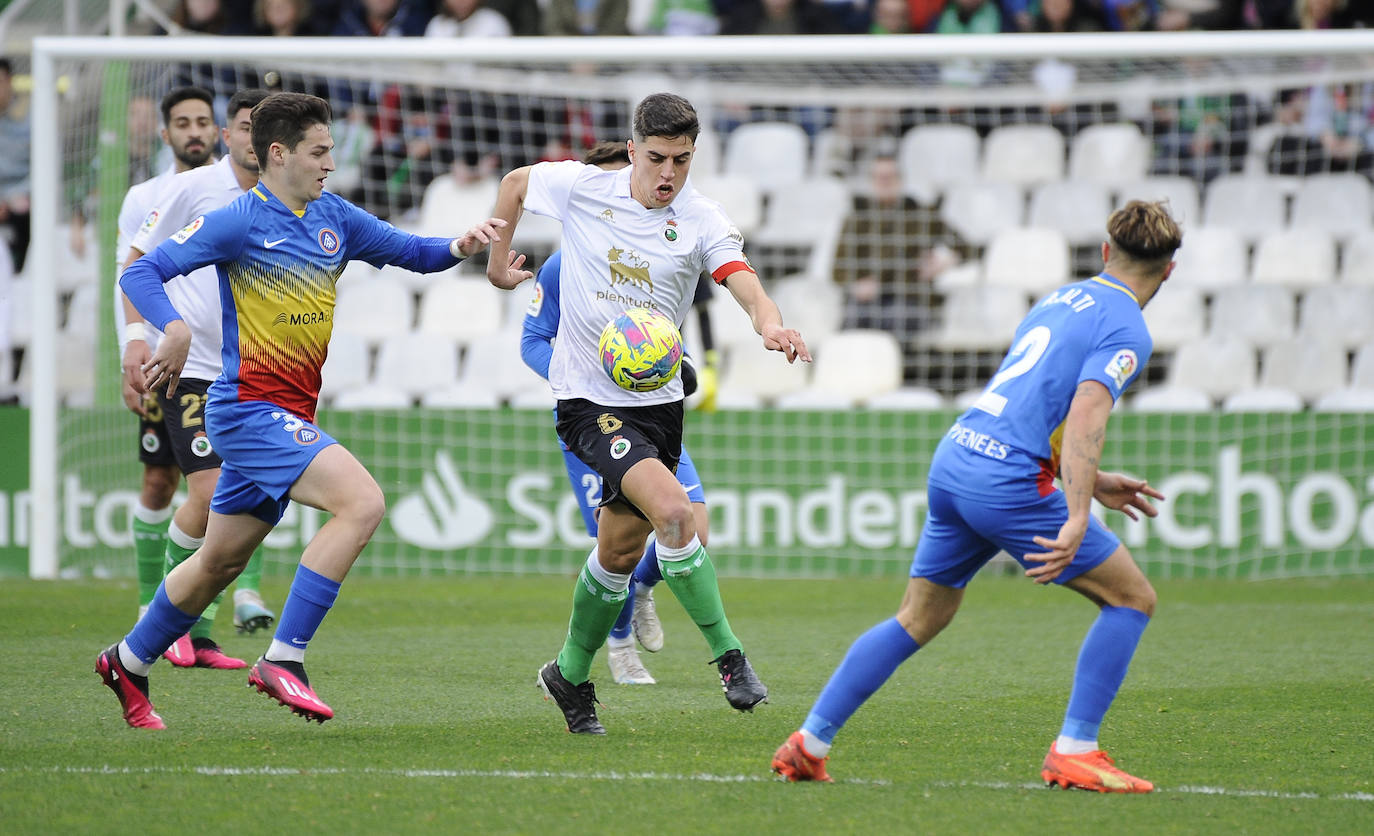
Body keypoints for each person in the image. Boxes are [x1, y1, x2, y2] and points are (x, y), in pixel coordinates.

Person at [97, 92, 522, 730]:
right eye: (319, 151)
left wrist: (463, 243)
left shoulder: (335, 217)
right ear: (279, 153)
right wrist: (171, 329)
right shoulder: (237, 219)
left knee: (219, 563)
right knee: (363, 503)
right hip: (245, 409)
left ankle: (126, 661)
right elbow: (140, 276)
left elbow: (414, 252)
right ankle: (285, 660)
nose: (330, 162)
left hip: (287, 409)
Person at [772, 200, 1182, 792]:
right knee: (1131, 599)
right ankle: (1076, 748)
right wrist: (1076, 510)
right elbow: (1086, 407)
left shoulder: (1060, 298)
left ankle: (809, 742)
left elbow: (1033, 398)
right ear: (1168, 271)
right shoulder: (1128, 327)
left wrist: (1091, 478)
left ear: (1103, 253)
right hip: (1009, 479)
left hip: (960, 455)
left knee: (919, 616)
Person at [485, 92, 811, 735]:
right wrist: (498, 263)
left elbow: (738, 274)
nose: (668, 174)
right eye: (657, 158)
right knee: (675, 511)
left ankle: (569, 674)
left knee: (618, 552)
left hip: (660, 406)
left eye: (681, 161)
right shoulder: (584, 189)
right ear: (633, 151)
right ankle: (731, 658)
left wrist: (769, 321)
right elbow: (516, 181)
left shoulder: (700, 217)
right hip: (587, 401)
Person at [520, 140, 713, 686]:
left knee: (694, 523)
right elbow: (533, 341)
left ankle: (647, 591)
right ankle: (619, 645)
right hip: (595, 421)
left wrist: (670, 367)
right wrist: (586, 372)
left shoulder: (657, 250)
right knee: (617, 547)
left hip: (651, 412)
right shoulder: (561, 268)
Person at [123, 89, 278, 672]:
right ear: (230, 135)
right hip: (194, 372)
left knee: (244, 503)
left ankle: (201, 634)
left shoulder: (282, 199)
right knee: (208, 493)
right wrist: (145, 336)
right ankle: (164, 620)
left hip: (256, 374)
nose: (252, 141)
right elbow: (135, 263)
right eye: (243, 127)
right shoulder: (190, 190)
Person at [113, 86, 220, 666]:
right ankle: (153, 615)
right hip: (168, 361)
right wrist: (133, 347)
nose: (194, 131)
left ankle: (194, 625)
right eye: (183, 122)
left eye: (203, 120)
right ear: (166, 134)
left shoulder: (237, 189)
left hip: (220, 365)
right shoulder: (150, 196)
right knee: (162, 481)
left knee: (222, 486)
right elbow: (128, 274)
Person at [0, 59, 31, 274]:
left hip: (21, 199)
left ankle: (21, 271)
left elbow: (43, 168)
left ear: (10, 81)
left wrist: (11, 197)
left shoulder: (31, 116)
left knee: (24, 206)